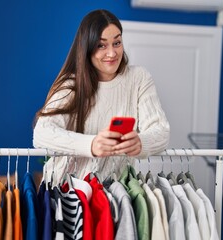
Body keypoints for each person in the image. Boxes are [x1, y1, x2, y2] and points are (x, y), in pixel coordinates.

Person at [33, 9, 170, 184]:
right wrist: (91, 145)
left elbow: (161, 131)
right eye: (101, 45)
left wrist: (141, 142)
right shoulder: (71, 85)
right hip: (67, 191)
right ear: (87, 48)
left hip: (114, 191)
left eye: (117, 43)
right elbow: (42, 134)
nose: (112, 53)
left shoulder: (139, 78)